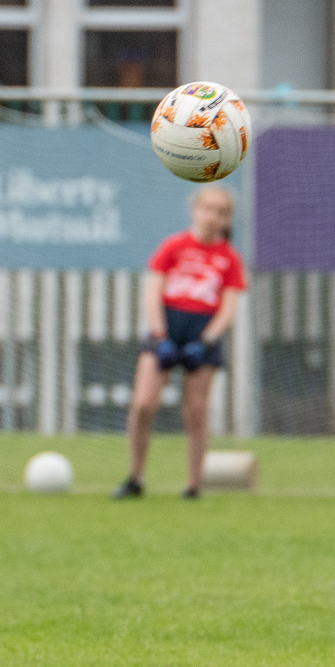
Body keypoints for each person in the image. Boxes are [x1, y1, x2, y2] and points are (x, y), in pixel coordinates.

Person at [113, 186, 247, 500]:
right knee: (144, 403)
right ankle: (135, 477)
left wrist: (206, 341)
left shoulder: (229, 259)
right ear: (195, 210)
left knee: (196, 410)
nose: (213, 217)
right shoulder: (173, 246)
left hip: (203, 332)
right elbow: (152, 292)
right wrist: (161, 336)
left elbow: (228, 308)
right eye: (208, 208)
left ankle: (194, 485)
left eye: (221, 212)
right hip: (167, 327)